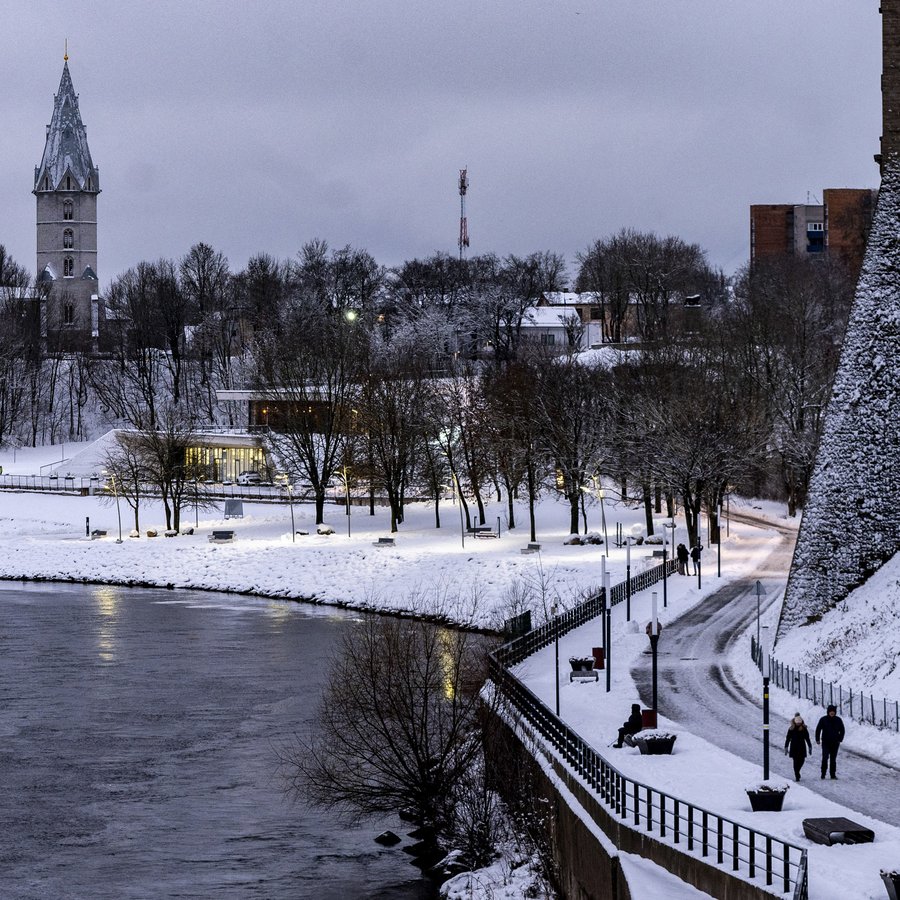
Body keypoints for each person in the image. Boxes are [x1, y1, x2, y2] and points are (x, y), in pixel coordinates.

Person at [815, 704, 845, 779]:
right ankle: (823, 773)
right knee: (825, 757)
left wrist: (840, 739)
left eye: (833, 711)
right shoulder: (823, 719)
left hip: (835, 743)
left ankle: (832, 774)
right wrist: (817, 739)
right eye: (831, 711)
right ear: (828, 712)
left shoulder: (838, 720)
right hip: (825, 742)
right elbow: (818, 729)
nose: (832, 713)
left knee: (833, 759)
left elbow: (842, 730)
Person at [784, 713, 812, 781]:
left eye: (800, 723)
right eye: (797, 723)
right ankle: (797, 774)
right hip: (794, 747)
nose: (798, 724)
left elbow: (807, 738)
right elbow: (788, 738)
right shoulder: (791, 729)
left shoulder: (804, 729)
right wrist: (786, 747)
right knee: (795, 761)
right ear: (795, 722)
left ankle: (797, 771)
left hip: (802, 747)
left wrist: (810, 746)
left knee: (802, 760)